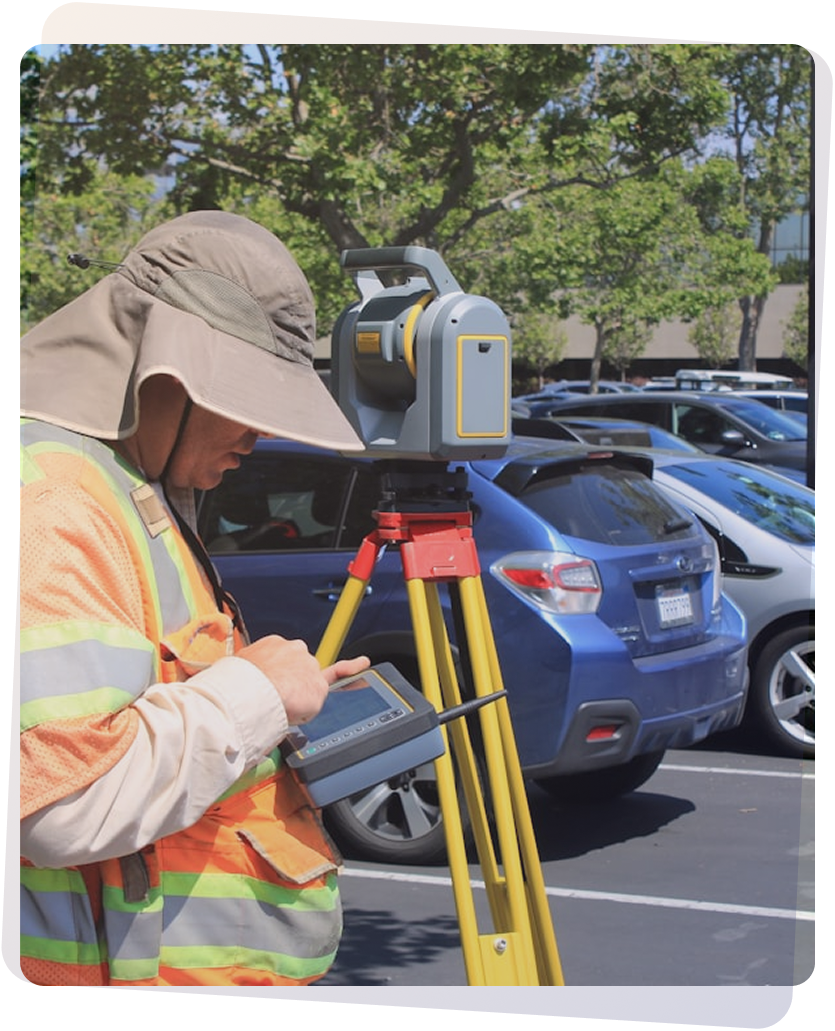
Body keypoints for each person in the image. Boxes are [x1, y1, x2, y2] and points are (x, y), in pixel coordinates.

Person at [19, 210, 370, 987]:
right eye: (242, 398)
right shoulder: (55, 499)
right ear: (164, 374)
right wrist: (257, 692)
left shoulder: (120, 483)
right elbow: (59, 803)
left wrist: (271, 701)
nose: (258, 436)